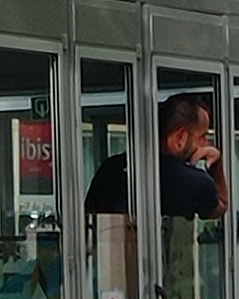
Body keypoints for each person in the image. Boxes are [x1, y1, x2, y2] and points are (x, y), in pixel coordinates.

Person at [83, 92, 223, 218]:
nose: (206, 143)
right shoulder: (195, 182)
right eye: (202, 136)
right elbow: (221, 206)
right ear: (181, 137)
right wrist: (216, 165)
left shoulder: (111, 168)